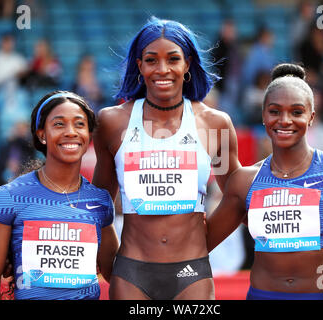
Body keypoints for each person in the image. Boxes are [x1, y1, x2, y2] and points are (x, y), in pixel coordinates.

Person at [92, 17, 240, 300]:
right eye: (151, 60)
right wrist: (113, 262)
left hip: (191, 274)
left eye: (173, 59)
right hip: (131, 272)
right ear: (139, 66)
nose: (162, 69)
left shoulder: (215, 124)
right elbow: (99, 204)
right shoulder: (112, 123)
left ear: (187, 65)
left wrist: (200, 246)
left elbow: (236, 194)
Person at [207, 63, 323, 300]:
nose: (285, 120)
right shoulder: (245, 181)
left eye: (296, 112)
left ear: (311, 117)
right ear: (263, 115)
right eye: (274, 111)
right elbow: (201, 244)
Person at [0, 91, 119, 300]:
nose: (71, 132)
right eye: (59, 124)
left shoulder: (99, 201)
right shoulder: (9, 197)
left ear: (89, 134)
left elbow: (116, 274)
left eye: (79, 124)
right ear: (42, 134)